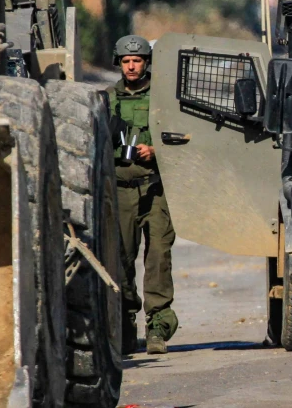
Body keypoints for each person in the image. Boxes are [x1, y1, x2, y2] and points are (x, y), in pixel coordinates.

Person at [107, 35, 178, 355]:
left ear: (147, 62)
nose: (132, 66)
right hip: (121, 190)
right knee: (120, 259)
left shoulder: (163, 98)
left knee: (159, 257)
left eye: (137, 60)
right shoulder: (106, 100)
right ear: (119, 63)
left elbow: (182, 137)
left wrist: (156, 151)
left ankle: (158, 326)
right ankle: (124, 323)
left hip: (156, 187)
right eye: (126, 61)